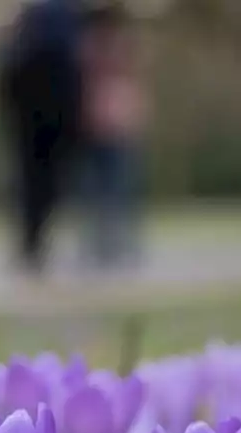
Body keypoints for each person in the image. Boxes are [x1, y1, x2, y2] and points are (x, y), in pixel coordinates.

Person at [0, 0, 87, 276]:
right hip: (45, 117)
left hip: (36, 119)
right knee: (44, 185)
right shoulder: (61, 27)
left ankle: (32, 243)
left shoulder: (31, 31)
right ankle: (34, 244)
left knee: (35, 184)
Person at [77, 5, 147, 271]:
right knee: (100, 189)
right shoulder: (90, 52)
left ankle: (119, 244)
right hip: (98, 129)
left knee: (118, 189)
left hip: (116, 128)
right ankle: (101, 245)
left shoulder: (111, 50)